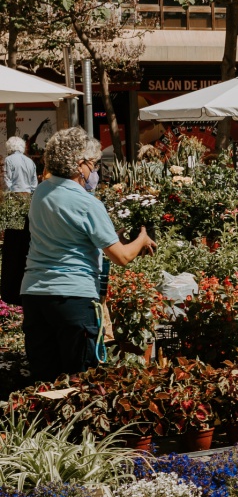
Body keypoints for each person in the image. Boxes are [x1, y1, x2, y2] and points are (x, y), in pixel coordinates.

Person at [21, 126, 156, 383]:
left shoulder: (40, 192)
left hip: (35, 295)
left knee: (43, 380)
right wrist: (141, 239)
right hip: (72, 296)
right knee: (79, 379)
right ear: (79, 164)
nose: (93, 171)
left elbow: (64, 232)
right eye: (92, 165)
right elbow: (121, 256)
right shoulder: (87, 202)